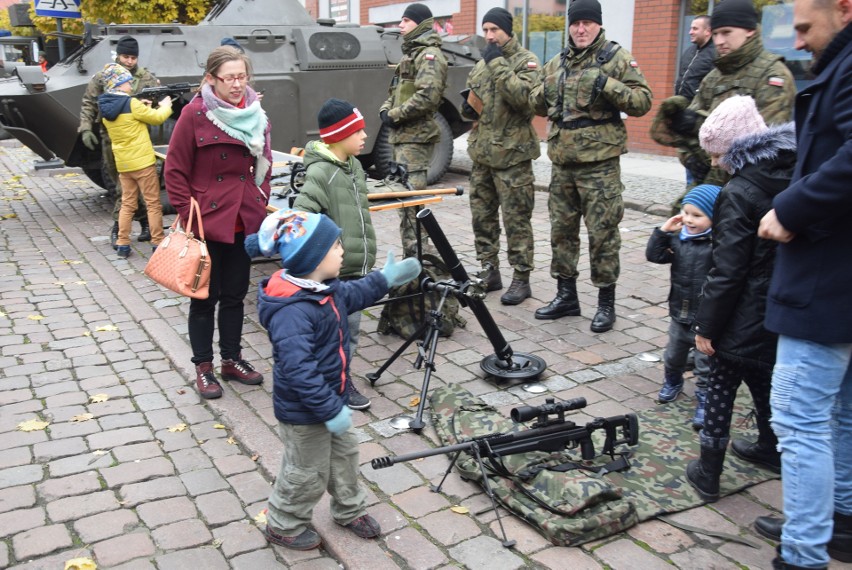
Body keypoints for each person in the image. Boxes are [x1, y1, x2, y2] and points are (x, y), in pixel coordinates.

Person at [247, 209, 420, 550]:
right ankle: (283, 523)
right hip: (304, 412)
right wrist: (329, 409)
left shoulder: (326, 288)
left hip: (330, 400)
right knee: (305, 472)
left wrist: (384, 278)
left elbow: (355, 294)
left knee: (344, 456)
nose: (343, 251)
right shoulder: (292, 312)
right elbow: (299, 371)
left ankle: (348, 509)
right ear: (313, 257)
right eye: (336, 246)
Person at [752, 0, 852, 567]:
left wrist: (791, 207)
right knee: (841, 410)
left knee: (799, 419)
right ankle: (839, 521)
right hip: (840, 275)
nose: (798, 40)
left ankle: (803, 553)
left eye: (807, 27)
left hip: (827, 274)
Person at [684, 95, 796, 503]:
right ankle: (770, 447)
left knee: (719, 388)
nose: (713, 163)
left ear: (735, 147)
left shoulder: (738, 191)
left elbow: (727, 270)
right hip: (782, 308)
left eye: (716, 153)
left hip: (740, 314)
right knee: (765, 381)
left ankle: (708, 472)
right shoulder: (793, 171)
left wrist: (706, 327)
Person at [529, 0, 652, 332]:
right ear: (568, 26)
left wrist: (607, 85)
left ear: (598, 25)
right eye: (575, 23)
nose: (581, 29)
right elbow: (537, 103)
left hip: (600, 166)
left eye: (587, 23)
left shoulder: (616, 58)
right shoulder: (556, 62)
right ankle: (566, 296)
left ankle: (605, 303)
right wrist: (538, 91)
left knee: (603, 234)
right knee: (562, 233)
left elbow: (643, 101)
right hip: (562, 164)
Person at [164, 46, 271, 399]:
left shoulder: (256, 113)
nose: (238, 84)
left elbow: (264, 162)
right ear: (212, 78)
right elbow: (174, 170)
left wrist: (261, 197)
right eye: (230, 78)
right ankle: (204, 366)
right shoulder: (195, 114)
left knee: (235, 296)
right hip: (207, 224)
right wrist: (187, 213)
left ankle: (231, 359)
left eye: (243, 76)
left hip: (243, 220)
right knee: (203, 298)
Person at [653, 0, 797, 205]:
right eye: (716, 33)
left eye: (727, 32)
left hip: (749, 192)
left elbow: (764, 144)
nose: (719, 41)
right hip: (707, 183)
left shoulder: (773, 74)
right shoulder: (714, 77)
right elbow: (689, 133)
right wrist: (692, 155)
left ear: (749, 30)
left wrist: (697, 124)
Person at [292, 98, 376, 411]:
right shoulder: (322, 173)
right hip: (337, 271)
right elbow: (301, 215)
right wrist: (326, 250)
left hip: (357, 266)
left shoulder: (353, 166)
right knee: (338, 333)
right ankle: (337, 383)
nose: (365, 136)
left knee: (350, 331)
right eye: (359, 132)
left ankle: (335, 376)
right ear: (340, 136)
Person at [461, 7, 540, 306]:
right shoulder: (482, 64)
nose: (490, 36)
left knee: (516, 219)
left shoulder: (526, 61)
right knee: (482, 216)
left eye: (495, 29)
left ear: (508, 30)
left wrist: (496, 64)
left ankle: (522, 277)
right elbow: (473, 100)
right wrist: (468, 107)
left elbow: (524, 99)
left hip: (513, 156)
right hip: (483, 153)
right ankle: (489, 269)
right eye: (486, 30)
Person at [645, 183, 721, 429]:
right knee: (674, 355)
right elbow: (654, 255)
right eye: (686, 213)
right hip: (679, 312)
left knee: (704, 364)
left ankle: (704, 398)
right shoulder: (679, 240)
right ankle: (672, 380)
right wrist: (663, 231)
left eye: (697, 215)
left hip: (704, 318)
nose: (689, 220)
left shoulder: (717, 245)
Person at [78, 35, 160, 249]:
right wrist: (86, 128)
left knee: (135, 187)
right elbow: (89, 102)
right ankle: (134, 225)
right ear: (118, 56)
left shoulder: (146, 78)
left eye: (133, 57)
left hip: (139, 138)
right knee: (120, 186)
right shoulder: (104, 77)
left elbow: (159, 103)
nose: (129, 61)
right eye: (126, 56)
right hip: (111, 138)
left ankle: (133, 225)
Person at [379, 3, 448, 256]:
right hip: (402, 139)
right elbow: (395, 92)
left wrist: (394, 115)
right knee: (404, 203)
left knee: (413, 205)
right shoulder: (409, 56)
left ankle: (421, 261)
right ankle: (414, 258)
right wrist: (385, 110)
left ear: (419, 24)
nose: (400, 25)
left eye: (406, 21)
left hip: (416, 141)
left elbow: (427, 96)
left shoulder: (429, 55)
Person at [97, 64, 173, 259]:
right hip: (143, 163)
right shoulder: (132, 104)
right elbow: (157, 118)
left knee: (128, 204)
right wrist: (166, 105)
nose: (130, 84)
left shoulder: (106, 107)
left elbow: (130, 121)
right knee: (153, 203)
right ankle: (157, 241)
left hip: (124, 164)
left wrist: (143, 107)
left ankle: (123, 243)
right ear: (119, 84)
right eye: (127, 82)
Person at [675, 15, 715, 102]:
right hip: (680, 106)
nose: (690, 32)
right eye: (691, 28)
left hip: (698, 110)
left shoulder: (715, 54)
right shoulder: (689, 51)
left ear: (707, 31)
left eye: (695, 29)